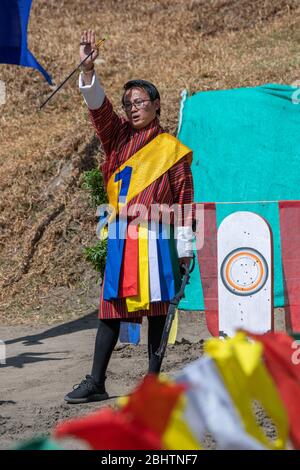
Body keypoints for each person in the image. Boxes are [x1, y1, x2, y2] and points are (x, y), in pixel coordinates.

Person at [64, 30, 194, 404]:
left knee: (156, 307)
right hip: (122, 233)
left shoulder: (172, 150)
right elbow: (99, 109)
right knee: (111, 305)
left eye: (139, 101)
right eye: (128, 103)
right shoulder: (117, 138)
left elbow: (184, 199)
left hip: (157, 234)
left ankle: (152, 382)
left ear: (156, 105)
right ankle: (96, 381)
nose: (132, 107)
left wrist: (185, 249)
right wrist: (88, 69)